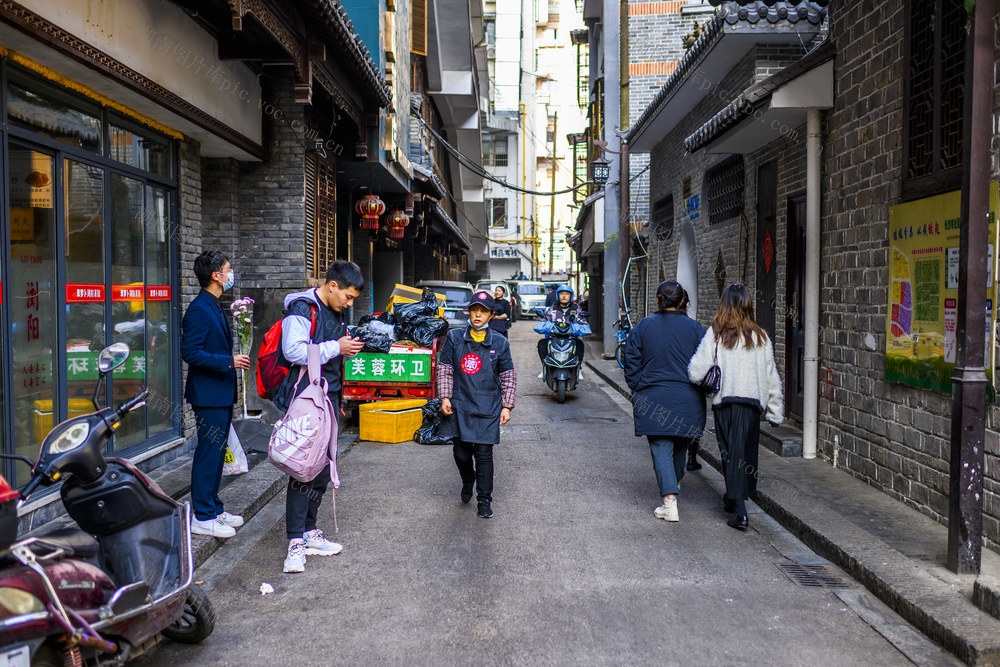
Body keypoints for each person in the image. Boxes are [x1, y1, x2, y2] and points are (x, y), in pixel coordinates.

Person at [274, 260, 366, 573]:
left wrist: (347, 347)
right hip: (307, 399)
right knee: (303, 469)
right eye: (348, 297)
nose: (349, 303)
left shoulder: (338, 311)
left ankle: (310, 531)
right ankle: (294, 543)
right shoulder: (302, 308)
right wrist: (334, 348)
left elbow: (331, 347)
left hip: (329, 399)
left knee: (323, 469)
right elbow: (293, 351)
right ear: (332, 286)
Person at [688, 283, 783, 531]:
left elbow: (696, 370)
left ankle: (741, 512)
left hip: (726, 402)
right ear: (747, 304)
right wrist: (775, 410)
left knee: (731, 454)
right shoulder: (761, 336)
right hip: (752, 404)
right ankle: (733, 499)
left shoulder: (717, 333)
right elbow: (771, 375)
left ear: (724, 304)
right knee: (745, 454)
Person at [623, 281, 706, 522]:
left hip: (653, 396)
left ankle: (669, 502)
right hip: (688, 397)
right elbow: (705, 364)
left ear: (658, 300)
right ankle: (673, 484)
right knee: (680, 444)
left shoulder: (643, 327)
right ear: (682, 301)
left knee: (661, 447)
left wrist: (639, 387)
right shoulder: (695, 329)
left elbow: (631, 362)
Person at [181, 250, 248, 538]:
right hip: (207, 395)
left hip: (219, 393)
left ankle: (214, 508)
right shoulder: (198, 309)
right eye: (227, 269)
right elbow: (190, 353)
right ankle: (202, 516)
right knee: (208, 454)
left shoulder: (215, 305)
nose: (231, 274)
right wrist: (227, 361)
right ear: (215, 275)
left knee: (218, 453)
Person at [438, 290, 517, 519]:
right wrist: (445, 397)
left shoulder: (500, 343)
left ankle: (484, 499)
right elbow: (445, 369)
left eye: (483, 311)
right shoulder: (454, 338)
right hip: (459, 404)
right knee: (461, 453)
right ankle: (467, 479)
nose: (478, 315)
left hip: (488, 406)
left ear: (491, 315)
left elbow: (508, 375)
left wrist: (507, 406)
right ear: (469, 313)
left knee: (483, 454)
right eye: (474, 310)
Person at [536, 285, 585, 380]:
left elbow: (583, 322)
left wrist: (580, 327)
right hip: (553, 338)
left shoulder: (576, 308)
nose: (564, 296)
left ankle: (579, 369)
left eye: (567, 294)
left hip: (571, 338)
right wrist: (546, 326)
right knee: (542, 343)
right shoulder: (552, 308)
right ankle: (544, 367)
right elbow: (544, 321)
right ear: (558, 295)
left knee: (580, 344)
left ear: (571, 296)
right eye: (561, 294)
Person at [680, 289, 703, 472]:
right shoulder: (696, 328)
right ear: (686, 304)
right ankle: (691, 457)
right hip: (691, 383)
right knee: (693, 422)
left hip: (669, 383)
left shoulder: (651, 325)